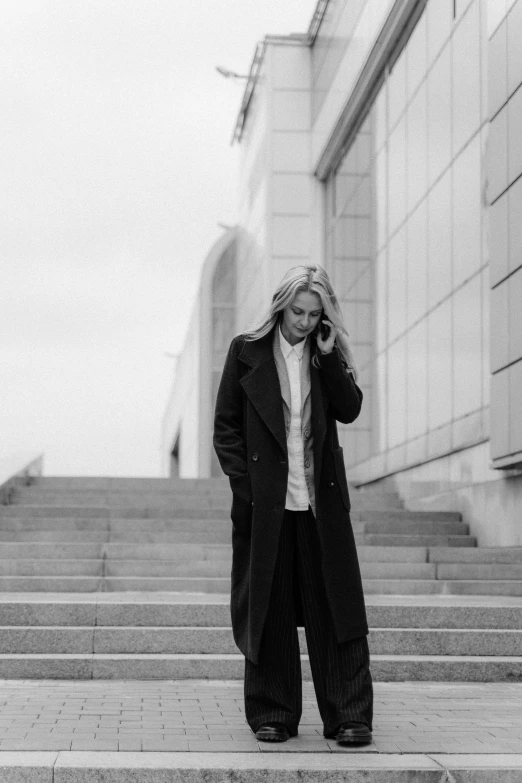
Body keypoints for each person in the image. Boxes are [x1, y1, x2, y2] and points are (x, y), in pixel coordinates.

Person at [213, 264, 373, 745]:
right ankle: (274, 713)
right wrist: (249, 488)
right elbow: (226, 429)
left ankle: (349, 716)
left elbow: (350, 409)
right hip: (268, 506)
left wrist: (327, 359)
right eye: (297, 311)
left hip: (320, 504)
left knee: (335, 609)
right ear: (282, 304)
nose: (303, 322)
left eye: (314, 314)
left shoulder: (325, 354)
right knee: (271, 607)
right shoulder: (246, 352)